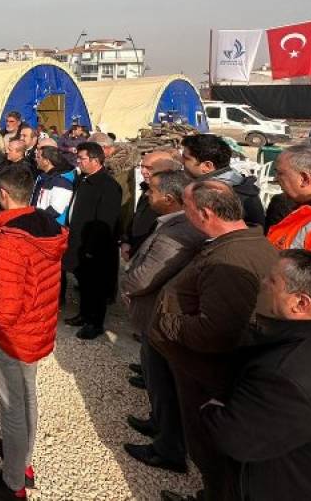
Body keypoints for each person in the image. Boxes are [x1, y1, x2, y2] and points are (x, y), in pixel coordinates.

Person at [150, 180, 278, 501]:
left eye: (187, 207)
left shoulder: (229, 259)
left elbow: (216, 331)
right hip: (206, 369)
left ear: (206, 213)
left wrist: (166, 322)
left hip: (207, 374)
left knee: (210, 450)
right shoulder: (241, 243)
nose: (184, 212)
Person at [201, 250, 311, 501]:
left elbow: (235, 437)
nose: (262, 283)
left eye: (272, 280)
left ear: (300, 304)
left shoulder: (291, 371)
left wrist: (211, 406)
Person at [0, 165, 68, 500]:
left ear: (3, 194)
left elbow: (3, 308)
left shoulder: (11, 241)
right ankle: (23, 461)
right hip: (36, 326)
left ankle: (12, 485)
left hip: (13, 335)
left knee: (12, 406)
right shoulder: (46, 224)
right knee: (27, 394)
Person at [121, 170, 204, 475]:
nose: (147, 195)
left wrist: (126, 284)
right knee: (156, 378)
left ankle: (169, 448)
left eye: (152, 191)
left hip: (159, 315)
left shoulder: (180, 232)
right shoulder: (176, 224)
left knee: (164, 380)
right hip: (155, 314)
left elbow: (145, 276)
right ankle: (159, 422)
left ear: (169, 199)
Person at [63, 142, 123, 340]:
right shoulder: (83, 180)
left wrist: (91, 248)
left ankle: (95, 323)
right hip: (79, 240)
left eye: (82, 158)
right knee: (83, 283)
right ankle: (84, 314)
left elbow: (106, 221)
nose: (78, 162)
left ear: (95, 160)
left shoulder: (108, 186)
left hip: (95, 247)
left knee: (96, 286)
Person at [181, 133, 265, 228]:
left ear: (207, 166)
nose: (181, 161)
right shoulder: (237, 181)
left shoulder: (215, 194)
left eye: (186, 158)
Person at [122, 150, 182, 259]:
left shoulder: (175, 196)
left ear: (166, 170)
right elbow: (137, 216)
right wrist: (126, 241)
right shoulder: (146, 188)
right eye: (142, 166)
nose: (143, 171)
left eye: (149, 168)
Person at [31, 145, 76, 226]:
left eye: (38, 157)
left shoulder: (62, 181)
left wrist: (37, 220)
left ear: (47, 161)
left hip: (51, 226)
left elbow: (56, 209)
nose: (35, 159)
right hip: (38, 223)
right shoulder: (42, 177)